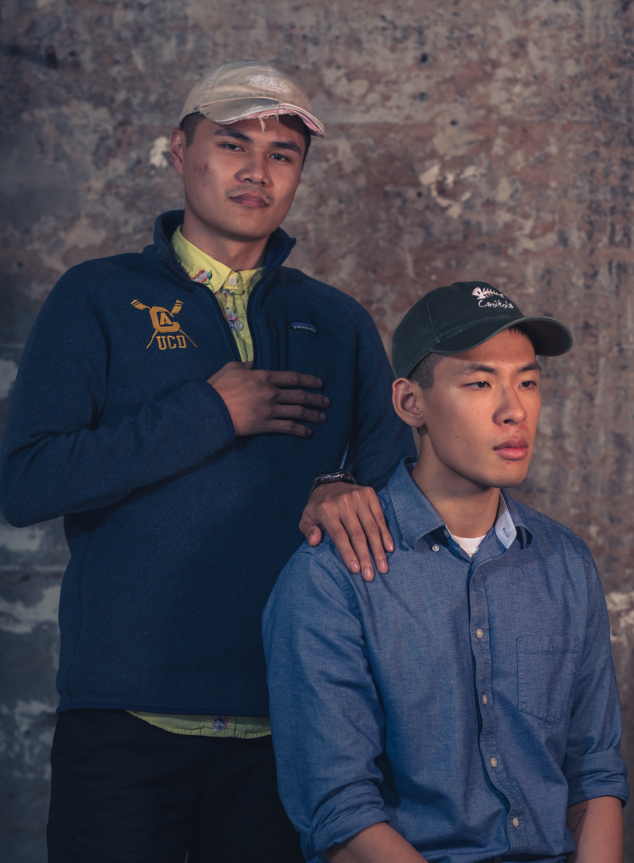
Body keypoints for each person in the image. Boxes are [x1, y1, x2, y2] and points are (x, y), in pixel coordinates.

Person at [0, 60, 414, 862]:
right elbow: (27, 481)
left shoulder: (336, 321)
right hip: (125, 722)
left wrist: (342, 484)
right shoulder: (97, 297)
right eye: (232, 144)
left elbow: (401, 497)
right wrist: (209, 413)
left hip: (293, 722)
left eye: (282, 154)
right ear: (180, 150)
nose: (257, 171)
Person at [264, 280, 629, 863]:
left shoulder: (564, 561)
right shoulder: (332, 576)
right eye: (480, 383)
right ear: (411, 403)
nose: (514, 410)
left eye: (527, 382)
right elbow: (339, 812)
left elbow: (594, 771)